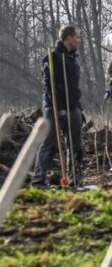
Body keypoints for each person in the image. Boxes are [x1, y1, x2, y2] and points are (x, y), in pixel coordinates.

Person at [32, 25, 84, 187]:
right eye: (76, 37)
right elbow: (49, 86)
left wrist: (79, 109)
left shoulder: (73, 59)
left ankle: (73, 181)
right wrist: (59, 108)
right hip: (54, 107)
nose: (78, 40)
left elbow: (74, 88)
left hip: (73, 106)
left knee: (75, 146)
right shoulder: (53, 57)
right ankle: (38, 180)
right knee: (49, 143)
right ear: (68, 37)